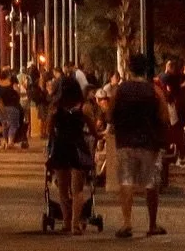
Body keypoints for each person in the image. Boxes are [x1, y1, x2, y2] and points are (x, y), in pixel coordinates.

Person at [110, 53, 170, 238]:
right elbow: (164, 117)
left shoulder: (119, 90)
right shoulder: (155, 91)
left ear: (129, 69)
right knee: (151, 184)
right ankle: (152, 224)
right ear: (145, 69)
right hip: (149, 143)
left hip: (125, 141)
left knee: (126, 181)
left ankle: (127, 222)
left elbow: (110, 114)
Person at [47, 73, 96, 234]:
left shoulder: (55, 108)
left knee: (62, 188)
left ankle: (66, 222)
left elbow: (49, 130)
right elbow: (93, 130)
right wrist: (97, 136)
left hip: (61, 146)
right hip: (78, 147)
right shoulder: (83, 108)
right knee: (78, 189)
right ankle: (76, 224)